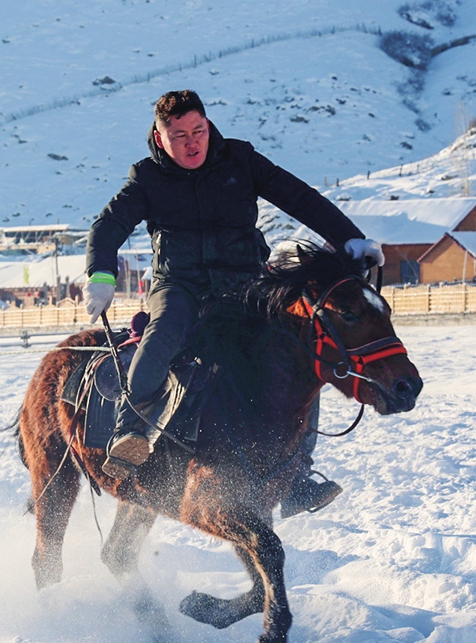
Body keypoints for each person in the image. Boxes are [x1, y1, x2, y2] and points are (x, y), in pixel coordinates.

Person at [83, 89, 383, 516]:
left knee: (299, 349)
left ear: (209, 127)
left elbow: (300, 198)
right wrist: (100, 274)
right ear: (159, 136)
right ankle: (129, 433)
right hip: (180, 284)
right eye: (179, 134)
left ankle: (297, 474)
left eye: (198, 131)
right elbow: (108, 224)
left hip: (245, 284)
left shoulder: (241, 160)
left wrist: (348, 236)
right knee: (163, 331)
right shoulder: (147, 178)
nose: (192, 142)